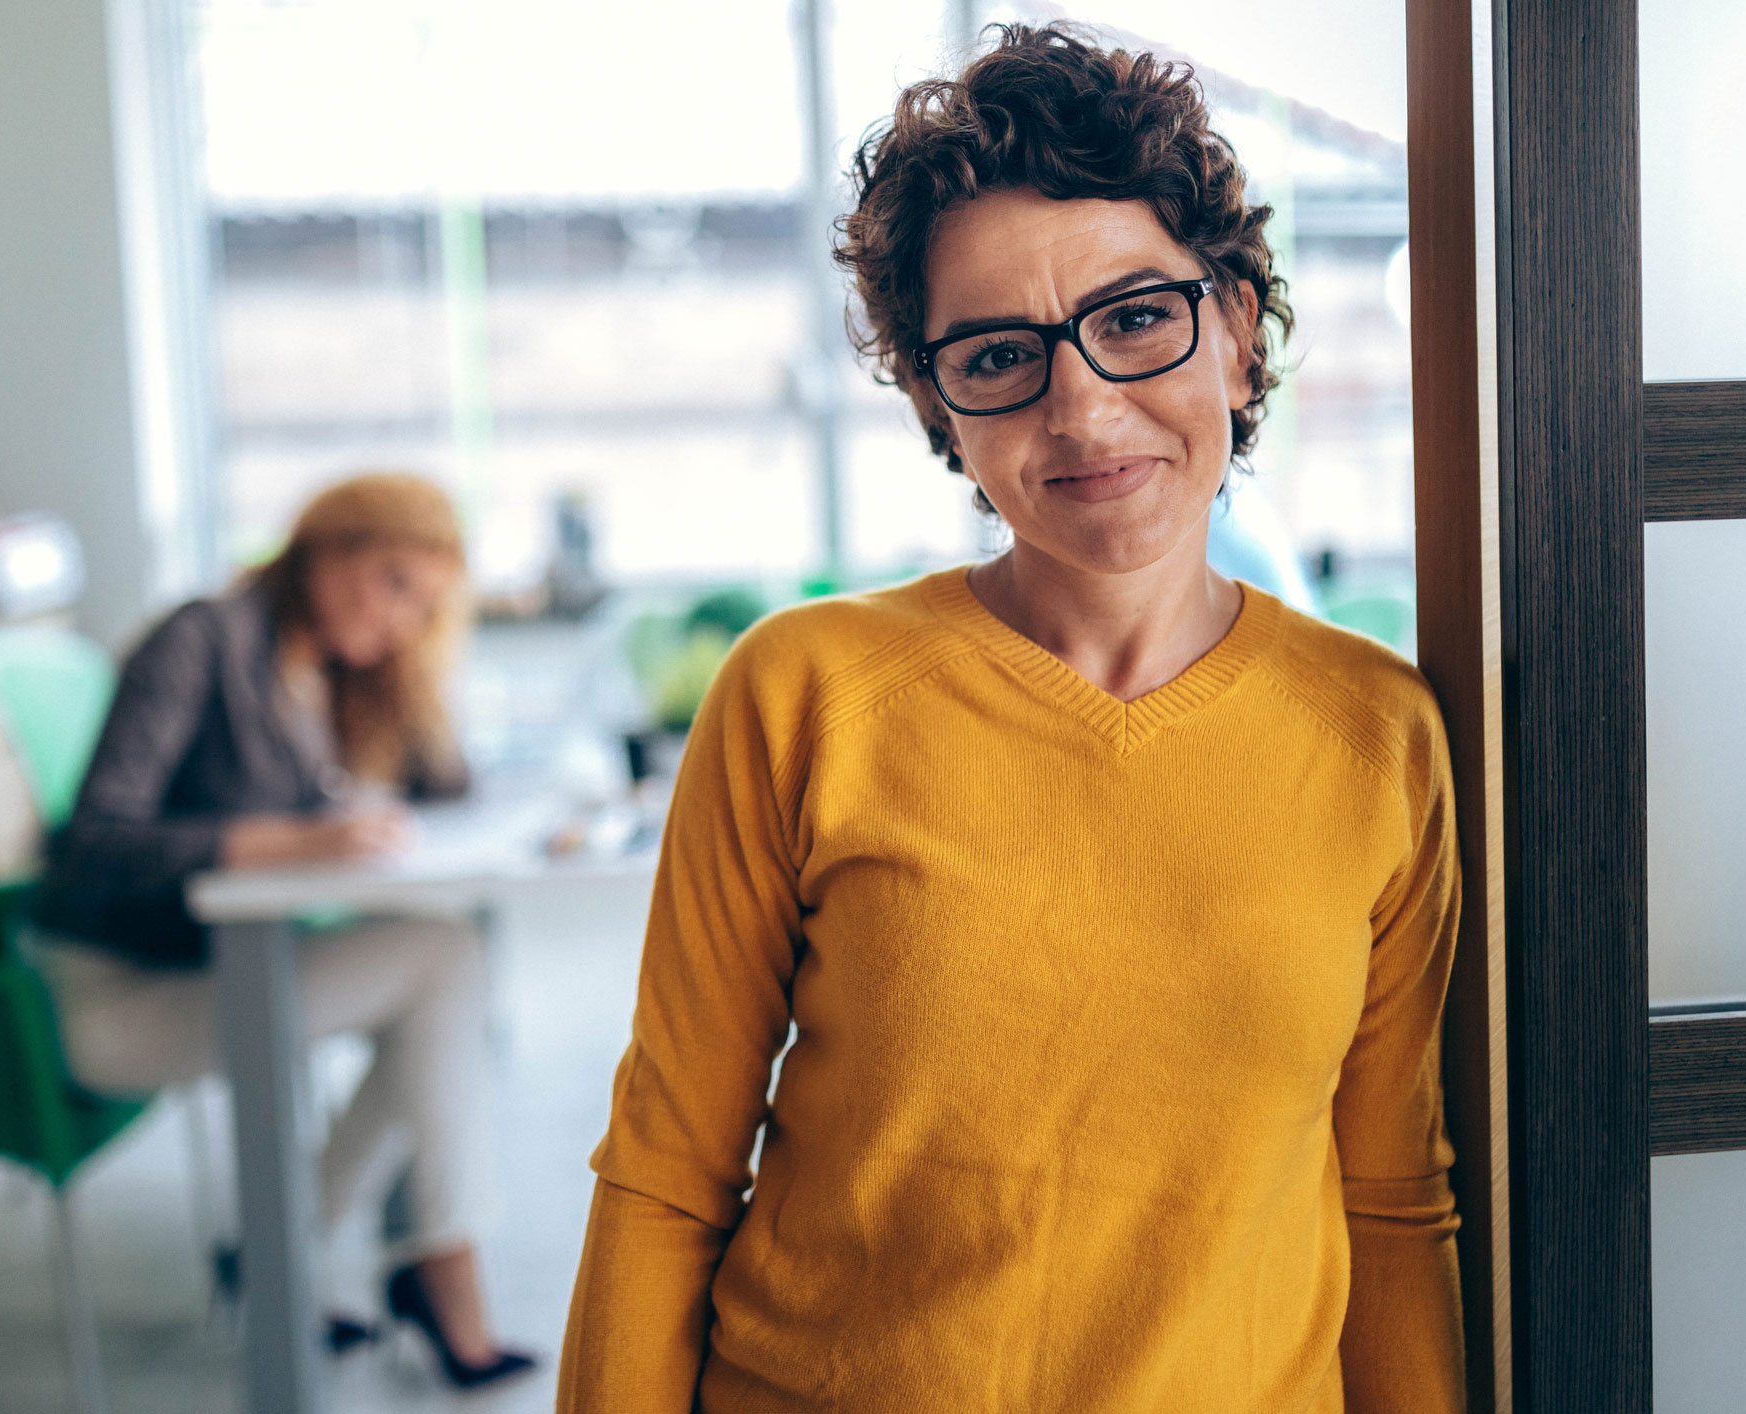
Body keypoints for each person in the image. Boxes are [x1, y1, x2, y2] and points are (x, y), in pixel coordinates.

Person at [558, 25, 1463, 1414]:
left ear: (1231, 325)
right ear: (938, 404)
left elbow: (1392, 1198)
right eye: (997, 355)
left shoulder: (1377, 734)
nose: (1084, 412)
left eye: (1136, 317)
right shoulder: (803, 694)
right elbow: (667, 1172)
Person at [29, 472, 535, 1390]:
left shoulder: (318, 671)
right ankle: (425, 1263)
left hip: (219, 972)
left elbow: (443, 786)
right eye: (392, 585)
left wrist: (416, 672)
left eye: (421, 606)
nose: (399, 620)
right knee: (440, 960)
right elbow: (94, 844)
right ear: (325, 551)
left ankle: (286, 1248)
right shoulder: (202, 638)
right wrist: (294, 840)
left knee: (437, 974)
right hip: (116, 995)